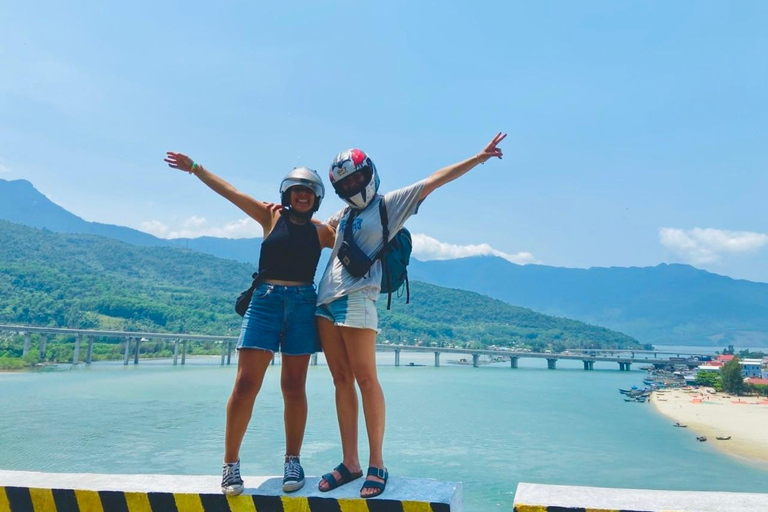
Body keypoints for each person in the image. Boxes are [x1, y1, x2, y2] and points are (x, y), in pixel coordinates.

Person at [314, 133, 506, 498]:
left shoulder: (391, 205)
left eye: (357, 178)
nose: (354, 185)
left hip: (358, 297)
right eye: (346, 183)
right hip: (324, 300)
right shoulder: (344, 214)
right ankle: (350, 462)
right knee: (341, 381)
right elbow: (320, 233)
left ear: (369, 174)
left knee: (366, 380)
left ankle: (377, 463)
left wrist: (478, 158)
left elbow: (435, 179)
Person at [164, 152, 335, 495]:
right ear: (287, 193)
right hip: (265, 304)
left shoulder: (322, 231)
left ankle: (292, 460)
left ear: (317, 199)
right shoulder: (270, 216)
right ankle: (230, 464)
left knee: (294, 385)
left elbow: (355, 244)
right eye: (298, 190)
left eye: (310, 192)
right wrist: (195, 168)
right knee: (245, 385)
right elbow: (229, 191)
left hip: (303, 305)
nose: (303, 196)